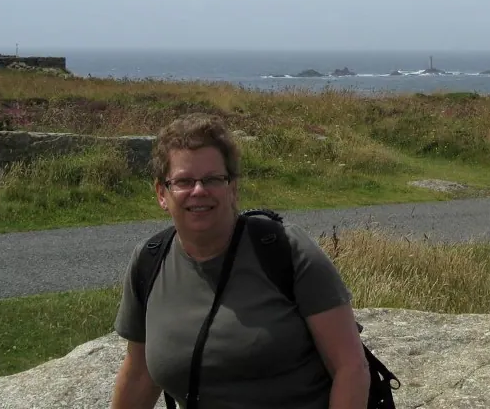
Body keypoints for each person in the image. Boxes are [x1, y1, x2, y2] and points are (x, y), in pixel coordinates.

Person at [111, 113, 370, 409]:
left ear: (232, 188)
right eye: (183, 181)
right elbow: (140, 374)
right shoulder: (149, 261)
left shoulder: (286, 251)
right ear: (162, 193)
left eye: (212, 179)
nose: (199, 191)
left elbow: (351, 369)